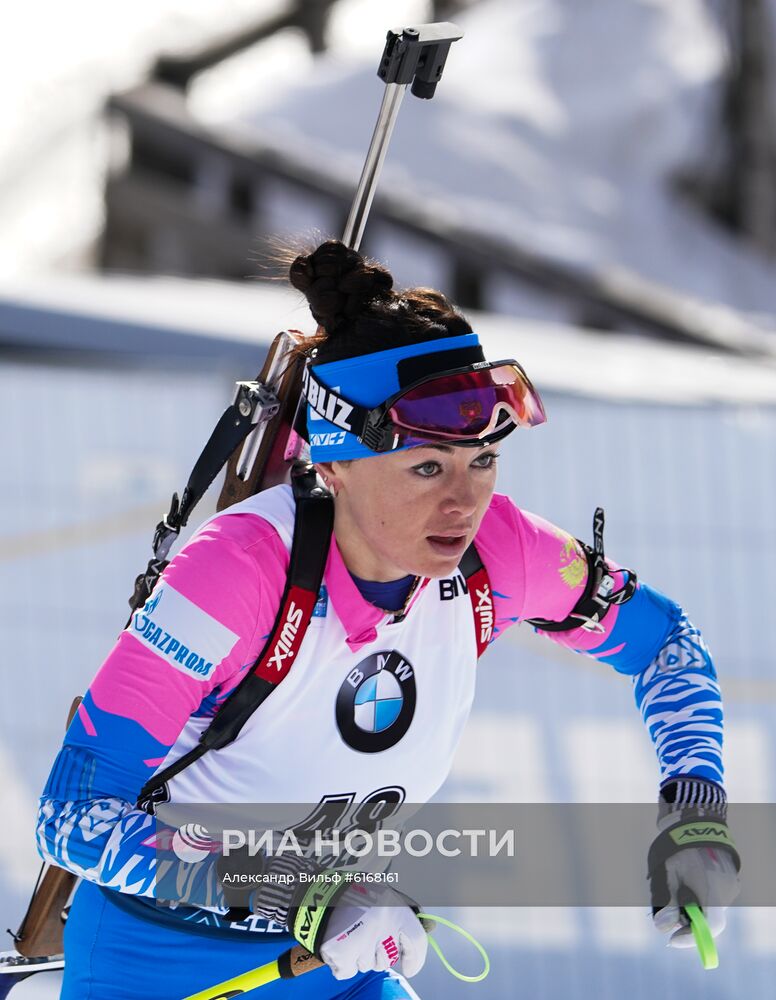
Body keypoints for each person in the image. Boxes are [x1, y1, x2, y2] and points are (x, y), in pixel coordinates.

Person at [36, 240, 739, 999]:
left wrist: (696, 810)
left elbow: (666, 643)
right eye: (427, 467)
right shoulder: (238, 570)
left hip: (340, 961)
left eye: (483, 460)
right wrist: (292, 892)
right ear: (333, 464)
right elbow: (71, 818)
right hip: (161, 961)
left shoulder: (501, 553)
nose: (464, 502)